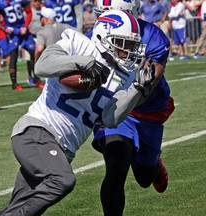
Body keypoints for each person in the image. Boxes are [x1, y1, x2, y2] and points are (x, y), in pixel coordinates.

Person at [0, 10, 153, 216]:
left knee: (19, 205)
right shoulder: (79, 43)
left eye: (131, 44)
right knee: (62, 181)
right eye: (123, 43)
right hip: (38, 131)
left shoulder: (126, 74)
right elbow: (41, 66)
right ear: (104, 36)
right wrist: (83, 62)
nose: (128, 50)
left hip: (62, 150)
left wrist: (137, 90)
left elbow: (109, 119)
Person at [92, 0, 175, 215]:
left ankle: (154, 163)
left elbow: (148, 86)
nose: (109, 23)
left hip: (147, 110)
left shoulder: (153, 37)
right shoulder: (96, 35)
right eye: (104, 16)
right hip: (115, 107)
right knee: (116, 166)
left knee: (144, 178)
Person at [0, 0, 44, 90]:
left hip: (23, 31)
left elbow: (29, 12)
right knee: (13, 57)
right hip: (13, 33)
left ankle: (36, 79)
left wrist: (26, 26)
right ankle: (14, 83)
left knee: (34, 54)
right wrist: (4, 29)